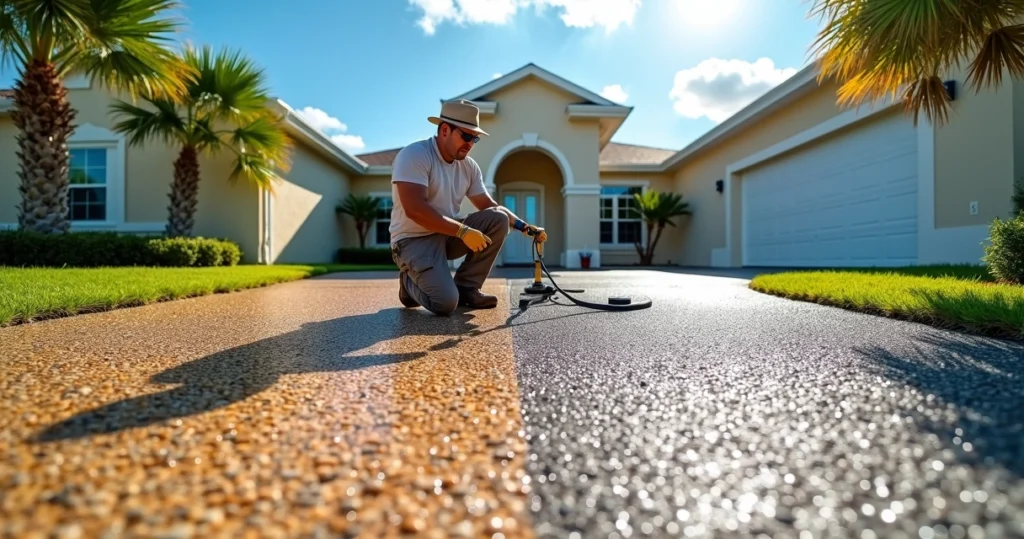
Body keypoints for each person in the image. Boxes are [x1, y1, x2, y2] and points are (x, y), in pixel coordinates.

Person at [388, 100, 547, 315]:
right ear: (445, 130)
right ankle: (408, 282)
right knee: (444, 303)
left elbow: (491, 207)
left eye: (475, 138)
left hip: (446, 235)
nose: (471, 143)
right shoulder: (415, 155)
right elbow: (414, 209)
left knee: (497, 218)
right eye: (466, 136)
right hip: (412, 240)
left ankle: (467, 287)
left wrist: (525, 227)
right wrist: (462, 231)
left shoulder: (469, 167)